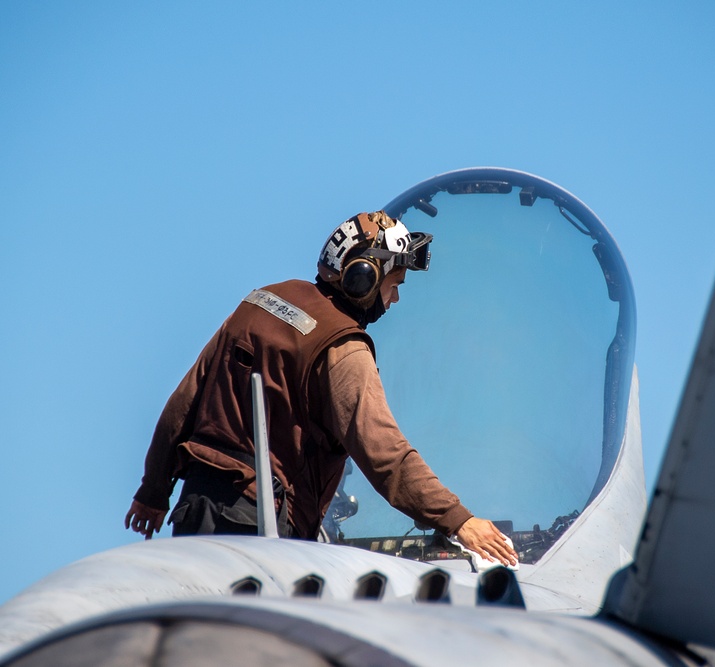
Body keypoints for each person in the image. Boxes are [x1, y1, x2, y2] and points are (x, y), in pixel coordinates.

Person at [125, 210, 517, 566]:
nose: (395, 298)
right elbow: (384, 454)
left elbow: (183, 403)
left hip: (194, 512)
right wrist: (457, 520)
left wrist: (153, 492)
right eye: (394, 283)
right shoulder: (341, 347)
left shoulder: (260, 302)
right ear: (363, 276)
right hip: (258, 529)